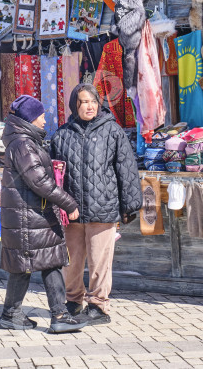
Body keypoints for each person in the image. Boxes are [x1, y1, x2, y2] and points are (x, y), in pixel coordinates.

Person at [51, 83, 142, 325]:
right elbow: (56, 174)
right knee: (70, 261)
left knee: (100, 260)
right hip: (71, 210)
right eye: (83, 102)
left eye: (92, 101)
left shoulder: (112, 131)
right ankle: (73, 301)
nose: (89, 106)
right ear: (75, 105)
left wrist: (129, 204)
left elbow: (126, 168)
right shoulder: (62, 135)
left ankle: (99, 306)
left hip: (103, 207)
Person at [0, 95, 87, 333]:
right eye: (41, 115)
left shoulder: (22, 141)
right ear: (29, 118)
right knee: (46, 263)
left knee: (32, 264)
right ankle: (57, 315)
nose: (44, 119)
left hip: (29, 215)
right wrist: (69, 203)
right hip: (29, 216)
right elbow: (38, 180)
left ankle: (13, 314)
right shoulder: (23, 144)